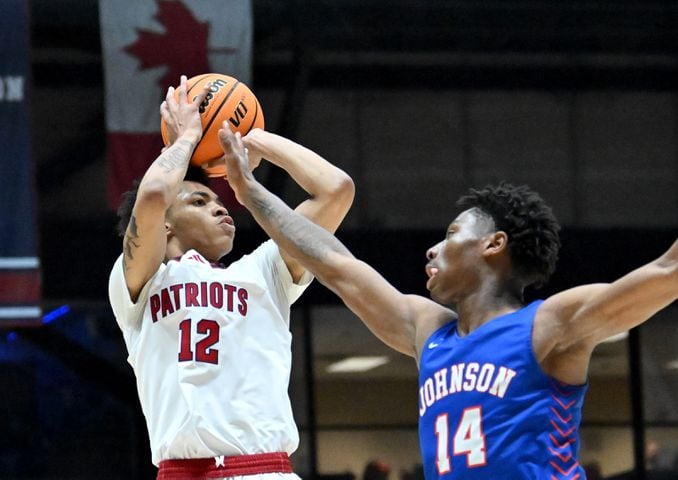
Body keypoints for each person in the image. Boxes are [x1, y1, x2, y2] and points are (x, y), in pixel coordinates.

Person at [216, 126, 678, 479]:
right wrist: (251, 192)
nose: (433, 248)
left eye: (452, 234)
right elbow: (335, 264)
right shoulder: (428, 330)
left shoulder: (546, 326)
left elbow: (664, 273)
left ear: (494, 245)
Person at [107, 75, 354, 479]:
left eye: (221, 201)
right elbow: (153, 196)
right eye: (200, 200)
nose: (222, 209)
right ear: (164, 226)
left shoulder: (265, 272)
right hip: (183, 470)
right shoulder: (140, 282)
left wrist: (251, 138)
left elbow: (335, 190)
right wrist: (185, 140)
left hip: (266, 469)